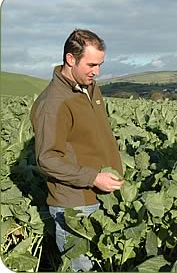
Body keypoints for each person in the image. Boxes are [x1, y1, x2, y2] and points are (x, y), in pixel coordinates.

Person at [31, 29, 124, 271]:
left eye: (100, 64)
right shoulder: (53, 103)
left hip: (102, 196)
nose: (97, 71)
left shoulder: (90, 88)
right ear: (70, 59)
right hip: (75, 205)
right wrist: (93, 177)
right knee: (83, 267)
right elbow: (47, 159)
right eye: (91, 64)